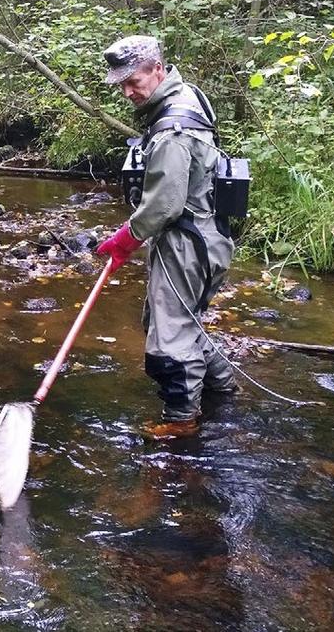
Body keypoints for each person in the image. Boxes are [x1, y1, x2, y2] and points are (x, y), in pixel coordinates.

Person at [96, 35, 235, 437]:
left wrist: (125, 239)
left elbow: (164, 206)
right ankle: (222, 390)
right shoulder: (188, 95)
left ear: (157, 69)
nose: (127, 91)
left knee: (168, 341)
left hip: (188, 243)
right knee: (177, 321)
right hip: (207, 236)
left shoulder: (173, 131)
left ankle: (181, 423)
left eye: (133, 81)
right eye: (121, 84)